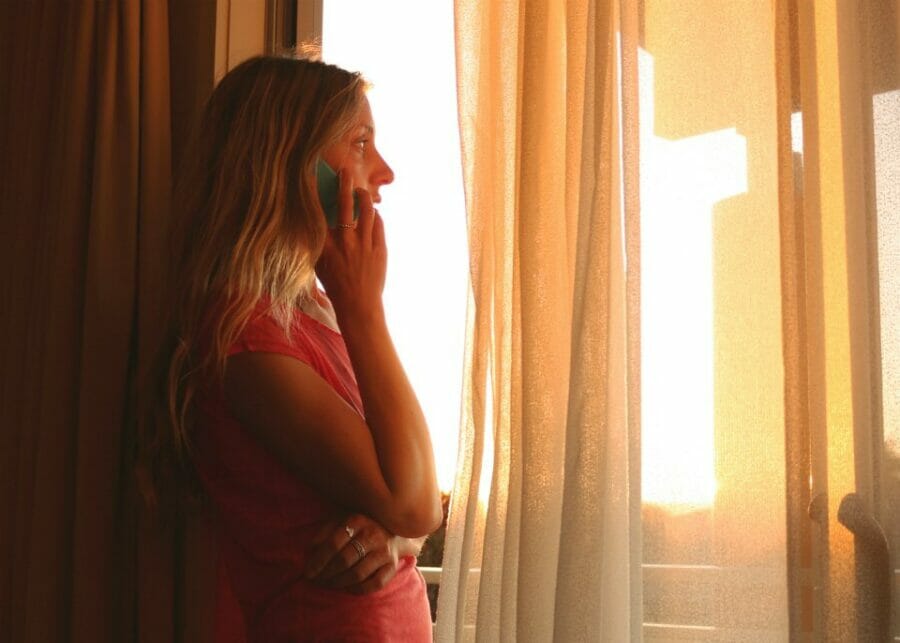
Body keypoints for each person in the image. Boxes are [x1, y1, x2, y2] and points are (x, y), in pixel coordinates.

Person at [145, 55, 442, 642]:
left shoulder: (310, 318)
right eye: (360, 143)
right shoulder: (247, 342)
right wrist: (364, 308)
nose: (383, 172)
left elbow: (410, 504)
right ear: (289, 165)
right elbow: (415, 503)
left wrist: (392, 538)